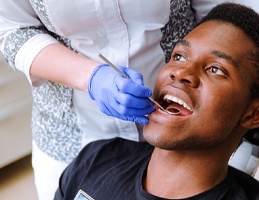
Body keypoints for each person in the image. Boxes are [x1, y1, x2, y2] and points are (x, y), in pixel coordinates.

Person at [54, 2, 259, 199]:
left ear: (254, 114)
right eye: (179, 56)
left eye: (216, 69)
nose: (180, 72)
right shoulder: (97, 159)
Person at [0, 1, 225, 199]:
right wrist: (91, 78)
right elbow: (12, 31)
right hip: (72, 135)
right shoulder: (79, 170)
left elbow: (219, 20)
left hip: (185, 144)